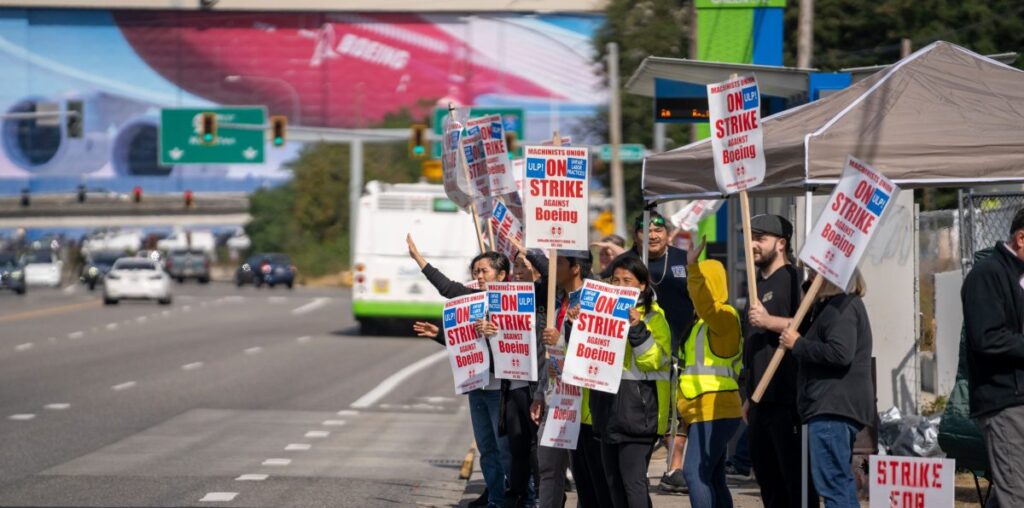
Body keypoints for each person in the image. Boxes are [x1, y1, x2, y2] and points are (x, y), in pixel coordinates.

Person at [407, 235, 526, 508]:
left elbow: (522, 342)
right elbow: (448, 288)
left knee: (507, 451)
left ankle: (520, 499)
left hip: (504, 390)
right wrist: (419, 260)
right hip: (478, 388)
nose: (479, 276)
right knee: (487, 451)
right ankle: (495, 500)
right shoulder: (472, 299)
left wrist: (496, 333)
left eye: (484, 271)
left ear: (503, 275)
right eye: (476, 272)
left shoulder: (517, 301)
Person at [596, 212, 695, 494]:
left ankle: (674, 467)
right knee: (617, 481)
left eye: (657, 229)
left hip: (675, 350)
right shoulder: (623, 262)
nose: (652, 234)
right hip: (615, 400)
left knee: (675, 421)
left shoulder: (680, 259)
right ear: (635, 234)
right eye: (645, 229)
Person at [780, 269, 874, 508]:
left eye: (815, 274)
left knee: (833, 484)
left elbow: (840, 353)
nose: (810, 278)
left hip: (832, 407)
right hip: (832, 406)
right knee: (838, 483)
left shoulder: (840, 307)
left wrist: (798, 344)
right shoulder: (833, 306)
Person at [742, 214, 817, 506]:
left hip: (788, 400)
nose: (752, 245)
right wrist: (749, 395)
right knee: (768, 481)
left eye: (760, 238)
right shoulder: (754, 283)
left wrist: (769, 320)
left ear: (781, 243)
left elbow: (808, 329)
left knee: (794, 482)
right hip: (760, 399)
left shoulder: (795, 279)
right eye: (750, 238)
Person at [528, 249, 612, 508]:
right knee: (548, 468)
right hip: (556, 398)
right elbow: (551, 354)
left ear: (576, 268)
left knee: (587, 475)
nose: (554, 268)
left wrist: (562, 342)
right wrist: (541, 393)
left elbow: (596, 352)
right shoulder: (558, 300)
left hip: (584, 404)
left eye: (560, 263)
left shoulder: (596, 301)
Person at [589, 255, 672, 508]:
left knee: (632, 483)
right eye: (616, 280)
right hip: (607, 412)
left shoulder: (654, 319)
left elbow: (653, 361)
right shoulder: (601, 316)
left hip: (639, 415)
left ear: (643, 286)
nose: (621, 286)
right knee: (614, 484)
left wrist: (636, 326)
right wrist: (576, 324)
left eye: (628, 280)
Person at [962, 207, 1024, 508]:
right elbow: (987, 337)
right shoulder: (986, 276)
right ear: (1022, 238)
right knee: (1015, 494)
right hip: (1005, 402)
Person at [678, 237, 742, 508]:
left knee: (694, 473)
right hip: (703, 411)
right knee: (713, 478)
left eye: (701, 282)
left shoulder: (724, 317)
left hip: (716, 409)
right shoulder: (701, 323)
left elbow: (706, 302)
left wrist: (693, 269)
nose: (692, 290)